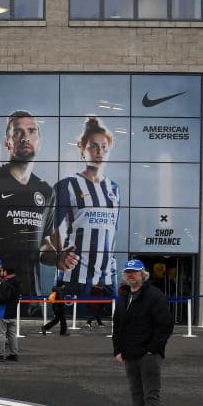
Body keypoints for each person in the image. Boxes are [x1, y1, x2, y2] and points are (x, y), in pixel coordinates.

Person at [0, 111, 55, 314]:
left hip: (32, 298)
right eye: (17, 132)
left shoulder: (46, 191)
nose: (25, 137)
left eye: (31, 131)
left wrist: (58, 258)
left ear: (39, 141)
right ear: (7, 142)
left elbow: (43, 244)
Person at [49, 116, 121, 301]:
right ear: (82, 151)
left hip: (107, 277)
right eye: (93, 146)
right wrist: (58, 256)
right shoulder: (67, 185)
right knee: (71, 324)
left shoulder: (113, 188)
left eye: (104, 147)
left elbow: (113, 231)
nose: (99, 152)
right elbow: (51, 228)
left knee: (112, 326)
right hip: (75, 275)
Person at [111, 259, 174, 406]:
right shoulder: (123, 296)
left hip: (148, 356)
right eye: (128, 272)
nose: (131, 275)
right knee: (136, 393)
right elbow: (117, 325)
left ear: (143, 275)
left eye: (135, 272)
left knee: (151, 394)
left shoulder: (154, 296)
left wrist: (152, 350)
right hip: (129, 354)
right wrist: (118, 349)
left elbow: (165, 325)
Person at [0, 264, 21, 362]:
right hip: (13, 311)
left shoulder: (5, 283)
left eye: (3, 271)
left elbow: (3, 298)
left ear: (6, 272)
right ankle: (14, 354)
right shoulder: (17, 282)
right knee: (12, 334)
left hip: (2, 311)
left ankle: (0, 354)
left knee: (1, 334)